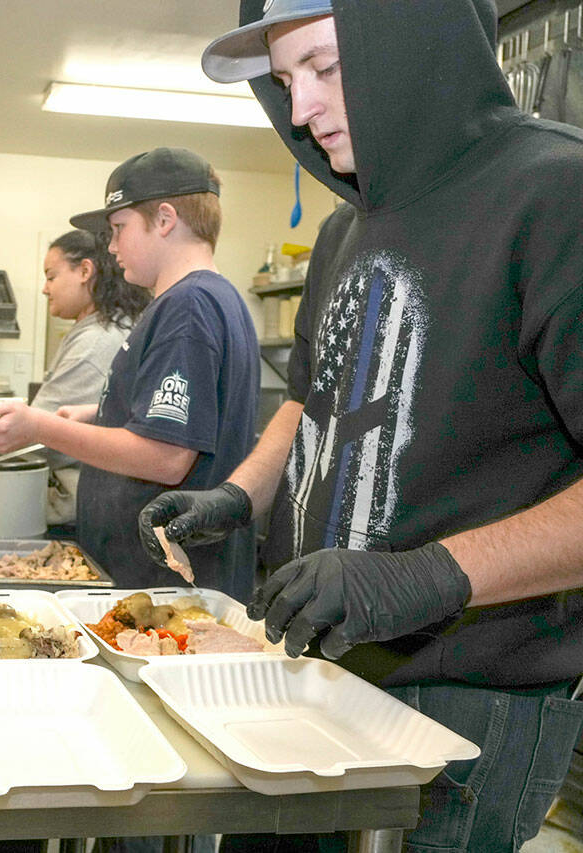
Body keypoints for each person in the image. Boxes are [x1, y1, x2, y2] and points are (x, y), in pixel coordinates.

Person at [143, 0, 583, 849]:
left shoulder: (554, 194)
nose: (300, 108)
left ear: (415, 44)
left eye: (326, 68)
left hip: (471, 706)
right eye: (283, 81)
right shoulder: (347, 225)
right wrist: (237, 494)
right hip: (319, 667)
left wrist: (426, 576)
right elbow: (312, 400)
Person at [0, 147, 259, 603]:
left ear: (165, 220)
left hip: (167, 589)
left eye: (118, 229)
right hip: (151, 580)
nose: (110, 246)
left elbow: (165, 456)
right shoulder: (203, 300)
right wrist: (102, 414)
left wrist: (39, 425)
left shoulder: (189, 307)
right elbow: (190, 420)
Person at [35, 228, 151, 530]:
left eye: (51, 277)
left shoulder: (97, 342)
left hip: (81, 511)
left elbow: (39, 432)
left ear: (85, 270)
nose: (45, 289)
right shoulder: (96, 329)